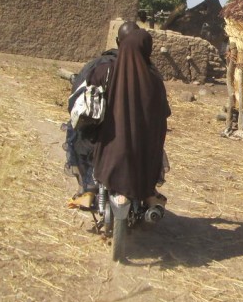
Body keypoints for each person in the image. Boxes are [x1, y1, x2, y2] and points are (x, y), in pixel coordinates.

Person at [64, 21, 140, 208]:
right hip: (136, 138)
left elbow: (77, 103)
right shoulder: (149, 72)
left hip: (98, 137)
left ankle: (88, 187)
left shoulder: (100, 67)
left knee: (75, 133)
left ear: (116, 41)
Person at [93, 27, 171, 206]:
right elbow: (164, 114)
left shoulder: (107, 72)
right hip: (144, 153)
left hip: (112, 151)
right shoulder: (154, 80)